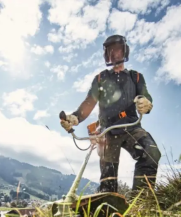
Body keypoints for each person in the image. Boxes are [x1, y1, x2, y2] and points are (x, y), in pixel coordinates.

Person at [60, 34, 161, 195]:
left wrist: (146, 103)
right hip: (107, 131)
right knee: (108, 178)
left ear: (125, 51)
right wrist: (75, 118)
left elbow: (145, 96)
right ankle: (108, 208)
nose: (114, 54)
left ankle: (141, 202)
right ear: (106, 54)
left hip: (131, 127)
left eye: (118, 50)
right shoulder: (100, 79)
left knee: (151, 153)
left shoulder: (136, 77)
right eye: (111, 51)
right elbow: (88, 103)